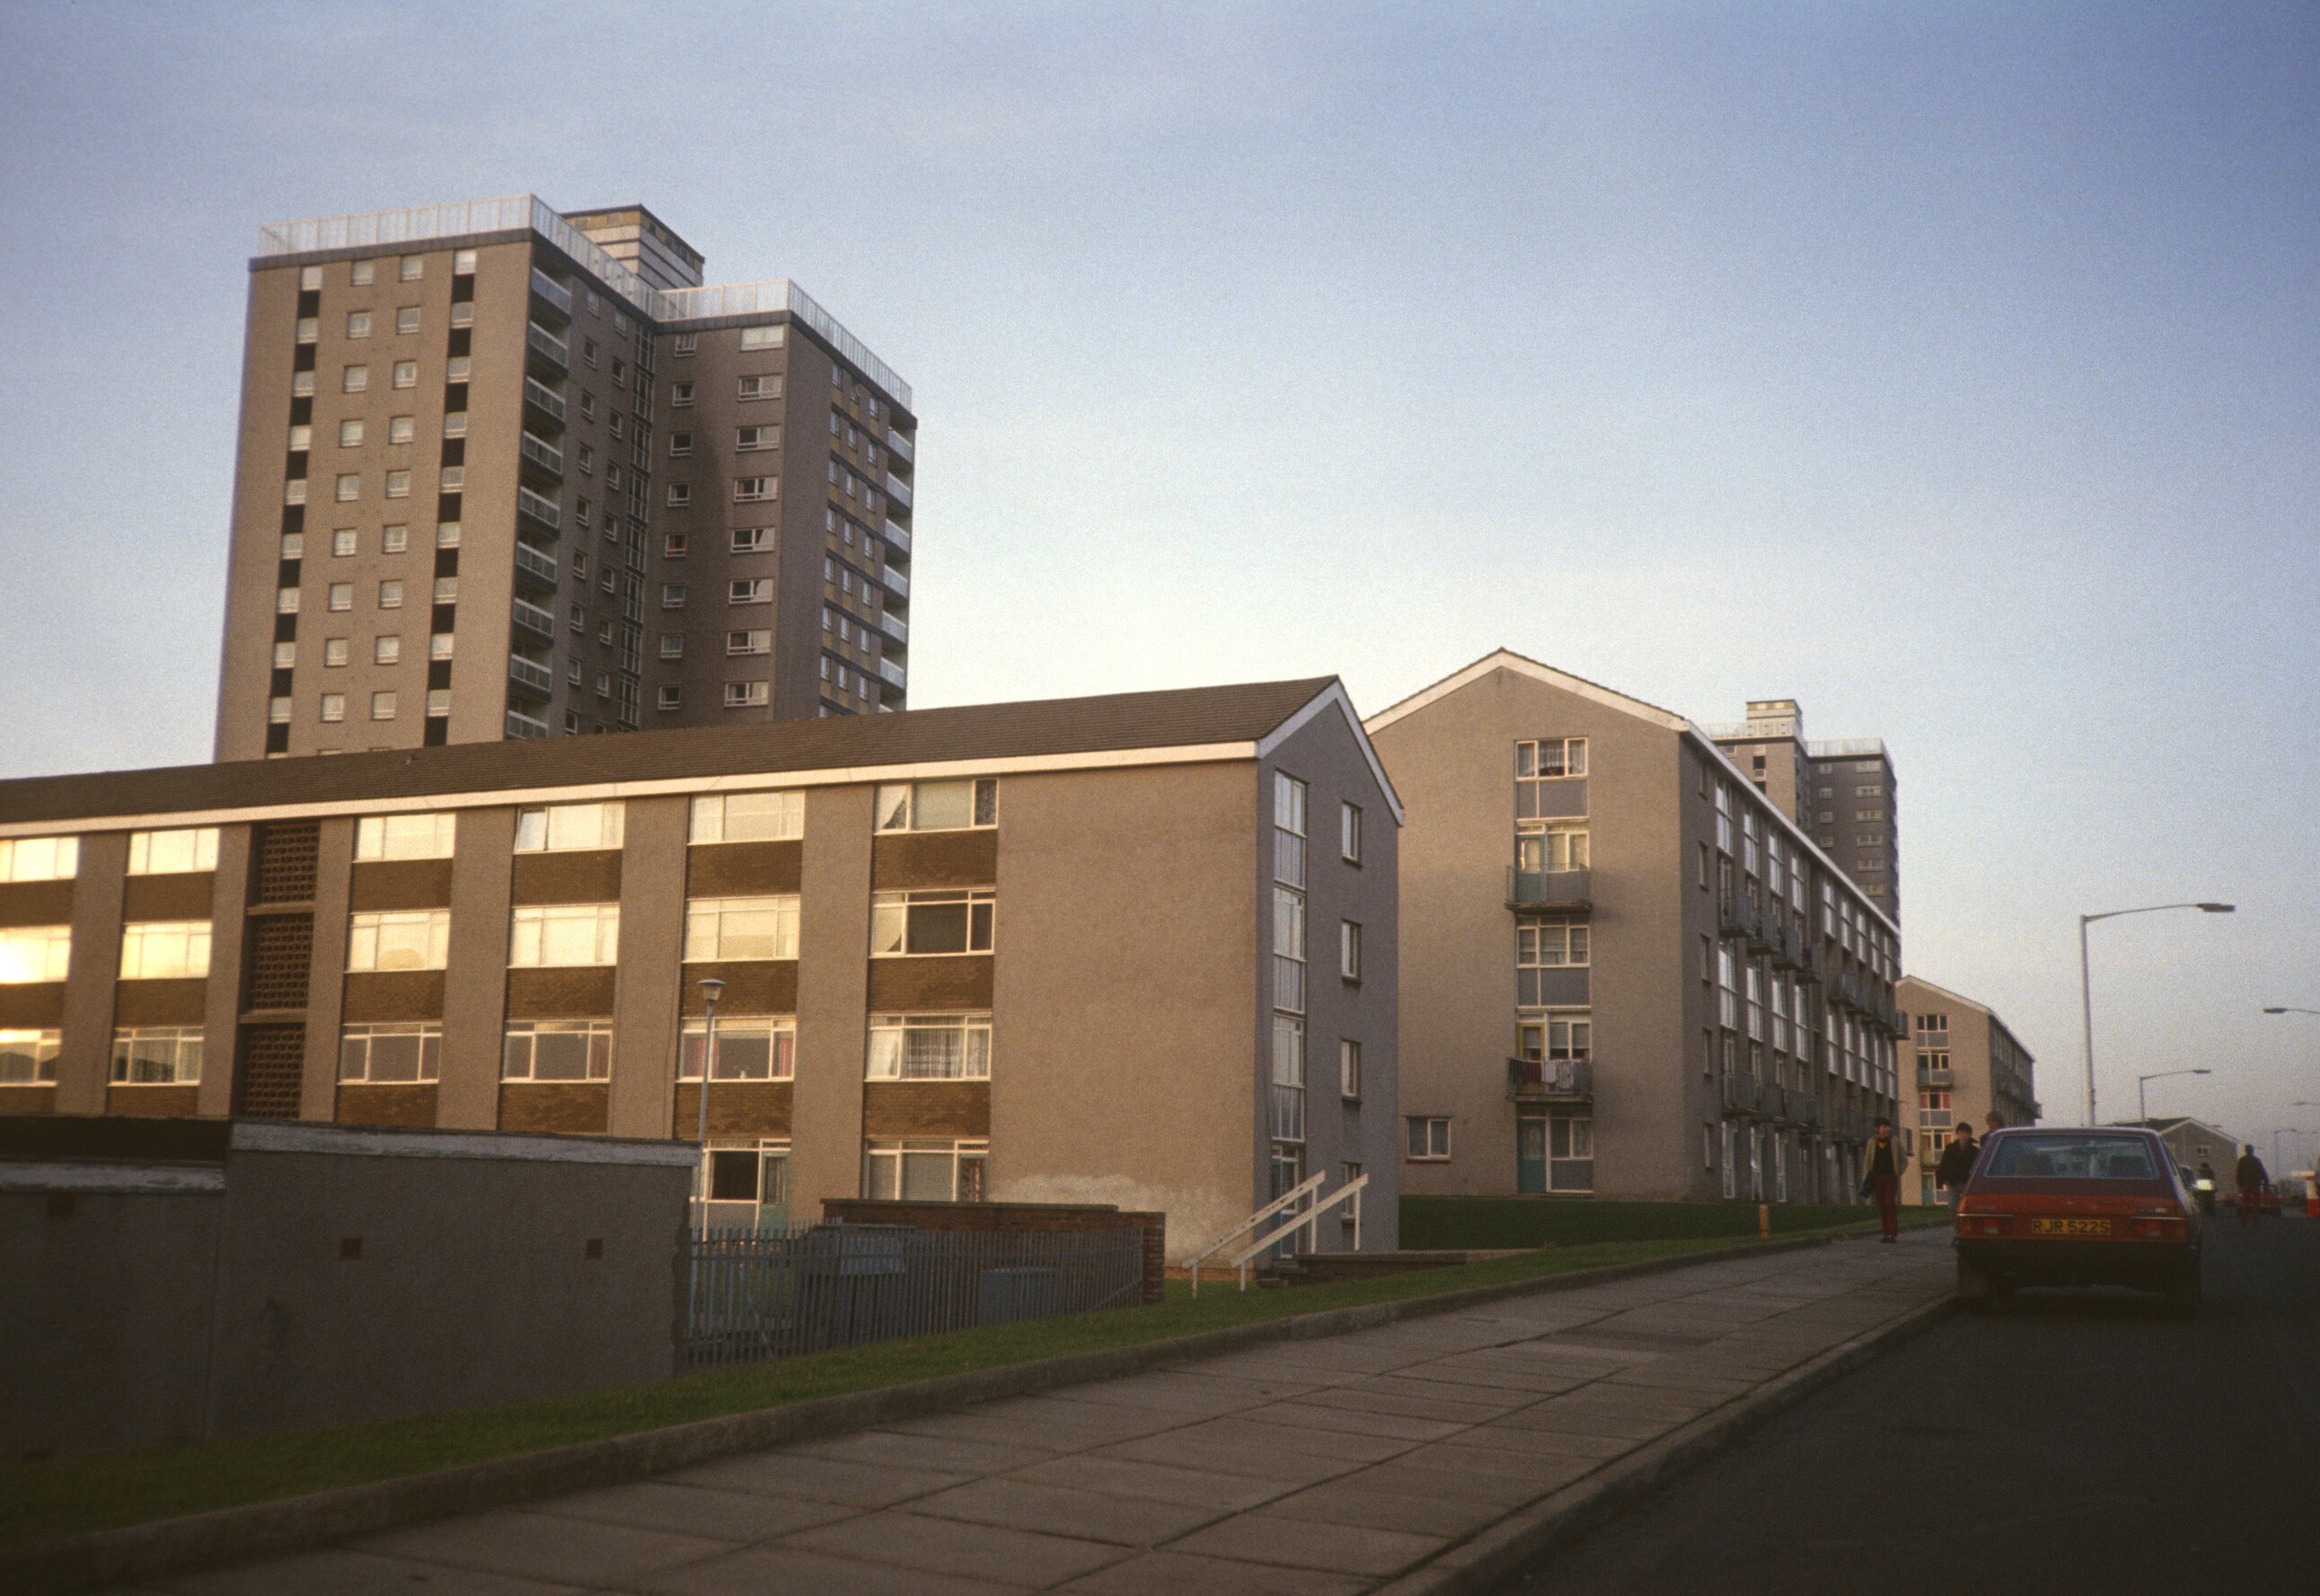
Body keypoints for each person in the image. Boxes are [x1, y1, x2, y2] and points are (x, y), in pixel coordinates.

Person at [1858, 1118, 1908, 1242]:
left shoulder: (1895, 1142)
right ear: (1877, 1129)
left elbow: (1904, 1160)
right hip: (1876, 1177)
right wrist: (1866, 1175)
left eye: (1887, 1127)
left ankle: (1892, 1233)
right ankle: (1885, 1233)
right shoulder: (1872, 1142)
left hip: (1890, 1177)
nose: (1886, 1129)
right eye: (1883, 1127)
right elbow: (1868, 1160)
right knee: (1881, 1205)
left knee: (1889, 1204)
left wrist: (1898, 1172)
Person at [1936, 1124, 1979, 1215]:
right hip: (1953, 1182)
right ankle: (1956, 1226)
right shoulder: (1950, 1148)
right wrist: (1942, 1179)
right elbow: (1944, 1164)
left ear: (1970, 1135)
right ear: (1957, 1134)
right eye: (1961, 1133)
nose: (1963, 1136)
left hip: (1967, 1183)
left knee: (1968, 1206)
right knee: (1952, 1206)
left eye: (1966, 1133)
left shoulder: (1975, 1151)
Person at [2235, 1144, 2268, 1226]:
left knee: (2244, 1203)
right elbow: (2262, 1171)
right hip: (2255, 1184)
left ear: (2245, 1150)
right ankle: (2255, 1221)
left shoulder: (2242, 1160)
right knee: (2255, 1203)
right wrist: (2266, 1181)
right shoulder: (2257, 1160)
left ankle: (2243, 1222)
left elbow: (2239, 1173)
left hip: (2245, 1184)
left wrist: (2239, 1183)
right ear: (2252, 1150)